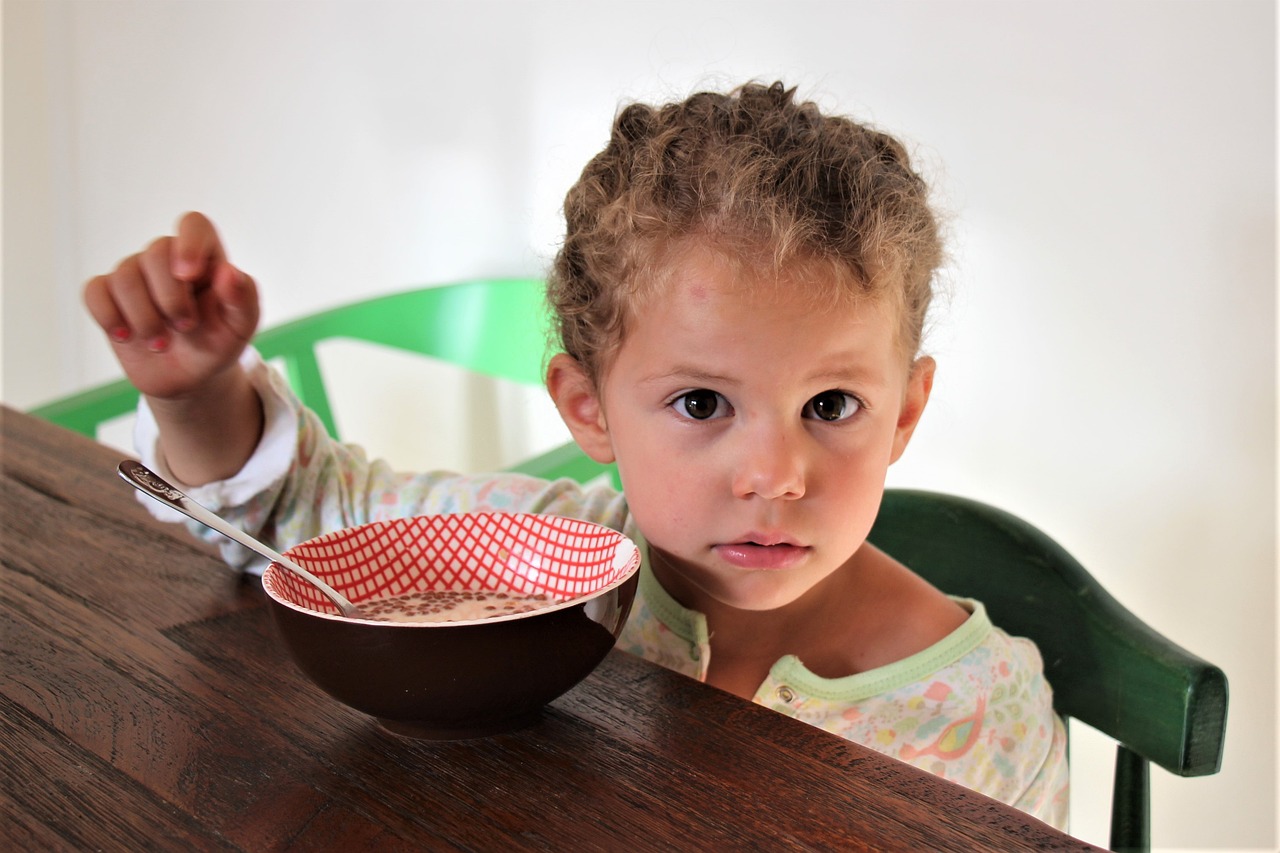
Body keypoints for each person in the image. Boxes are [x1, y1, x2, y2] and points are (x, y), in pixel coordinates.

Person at [84, 81, 1069, 827]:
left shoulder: (986, 722)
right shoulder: (544, 558)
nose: (773, 473)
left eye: (831, 403)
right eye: (698, 401)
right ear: (588, 408)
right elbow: (301, 517)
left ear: (903, 414)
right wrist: (198, 391)